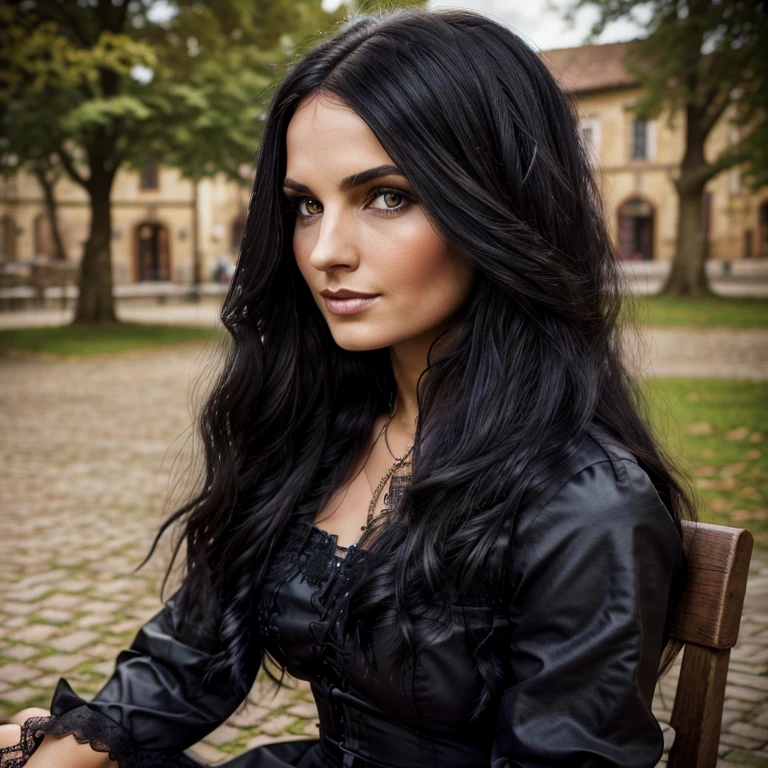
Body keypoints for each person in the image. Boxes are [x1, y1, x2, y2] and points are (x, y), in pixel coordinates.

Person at [0, 7, 697, 768]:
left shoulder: (584, 504)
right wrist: (61, 753)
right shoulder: (322, 430)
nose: (325, 251)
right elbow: (190, 659)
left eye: (387, 196)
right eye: (306, 205)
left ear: (497, 206)